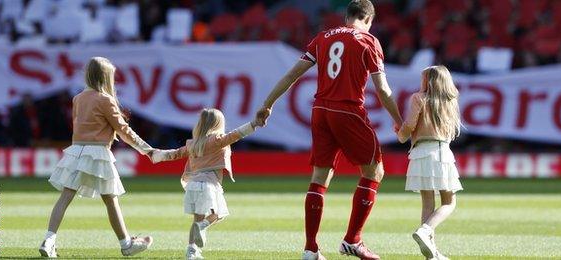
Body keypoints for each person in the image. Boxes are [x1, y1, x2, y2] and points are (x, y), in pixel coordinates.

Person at [255, 1, 403, 259]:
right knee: (374, 170)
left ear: (347, 17)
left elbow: (292, 75)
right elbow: (382, 90)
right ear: (368, 19)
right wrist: (399, 120)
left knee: (319, 177)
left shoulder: (322, 38)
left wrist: (267, 104)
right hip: (347, 110)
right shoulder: (368, 41)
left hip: (320, 111)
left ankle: (311, 249)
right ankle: (353, 240)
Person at [39, 57, 155, 258]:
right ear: (106, 77)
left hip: (77, 150)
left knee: (65, 196)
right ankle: (126, 243)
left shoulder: (78, 98)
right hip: (98, 152)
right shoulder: (105, 99)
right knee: (111, 200)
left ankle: (49, 240)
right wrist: (147, 149)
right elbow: (123, 130)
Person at [151, 108, 259, 260]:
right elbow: (236, 134)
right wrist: (254, 124)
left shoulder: (193, 144)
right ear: (218, 124)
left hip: (192, 186)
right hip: (209, 185)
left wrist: (156, 155)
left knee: (197, 219)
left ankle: (191, 251)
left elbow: (174, 153)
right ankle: (201, 227)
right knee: (219, 214)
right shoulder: (217, 140)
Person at [398, 65, 463, 260]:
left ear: (428, 81)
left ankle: (431, 252)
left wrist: (401, 135)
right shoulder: (449, 101)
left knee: (427, 203)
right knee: (449, 202)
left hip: (419, 152)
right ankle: (426, 231)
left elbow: (409, 125)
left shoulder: (418, 98)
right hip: (441, 152)